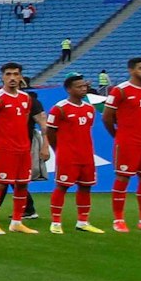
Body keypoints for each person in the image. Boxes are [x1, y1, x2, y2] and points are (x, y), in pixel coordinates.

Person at [103, 56, 141, 231]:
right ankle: (118, 220)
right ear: (131, 70)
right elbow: (107, 117)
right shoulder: (120, 90)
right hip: (128, 141)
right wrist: (118, 135)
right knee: (123, 177)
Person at [0, 63, 40, 235]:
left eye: (16, 74)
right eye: (8, 74)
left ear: (21, 76)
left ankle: (16, 222)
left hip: (23, 148)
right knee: (0, 184)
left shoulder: (26, 98)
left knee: (22, 184)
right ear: (2, 77)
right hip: (5, 149)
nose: (13, 77)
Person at [45, 74, 105, 233]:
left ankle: (83, 222)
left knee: (86, 187)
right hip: (67, 156)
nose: (83, 89)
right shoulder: (59, 109)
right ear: (69, 89)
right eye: (79, 86)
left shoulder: (89, 109)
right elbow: (50, 132)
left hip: (86, 155)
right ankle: (56, 222)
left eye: (84, 86)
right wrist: (59, 149)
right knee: (62, 186)